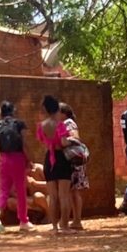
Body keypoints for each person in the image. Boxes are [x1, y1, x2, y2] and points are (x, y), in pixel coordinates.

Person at [0, 101, 34, 231]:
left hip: (4, 159)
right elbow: (24, 143)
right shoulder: (19, 124)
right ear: (13, 111)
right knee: (20, 190)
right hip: (17, 158)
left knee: (3, 190)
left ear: (1, 113)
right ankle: (23, 221)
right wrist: (30, 160)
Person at [36, 94, 74, 234]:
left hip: (49, 159)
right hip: (62, 158)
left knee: (52, 196)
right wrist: (71, 142)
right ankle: (65, 226)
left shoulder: (41, 126)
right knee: (64, 195)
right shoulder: (60, 125)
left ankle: (54, 227)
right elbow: (63, 143)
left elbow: (42, 142)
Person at [59, 102, 87, 231]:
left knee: (74, 191)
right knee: (72, 191)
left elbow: (76, 137)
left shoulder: (68, 123)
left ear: (63, 113)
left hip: (74, 161)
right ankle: (76, 220)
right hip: (73, 160)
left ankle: (77, 220)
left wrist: (64, 140)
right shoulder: (66, 123)